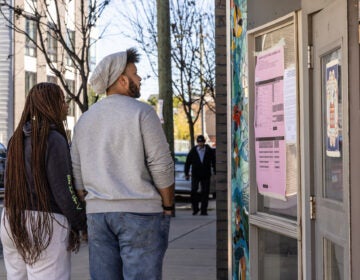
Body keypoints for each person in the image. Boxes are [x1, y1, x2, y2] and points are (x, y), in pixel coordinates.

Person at [71, 48, 174, 280]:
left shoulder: (85, 120)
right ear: (122, 80)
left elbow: (77, 174)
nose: (139, 79)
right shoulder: (143, 113)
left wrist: (92, 201)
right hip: (140, 213)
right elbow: (162, 165)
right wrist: (168, 206)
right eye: (135, 74)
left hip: (98, 215)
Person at [0, 83, 87, 280]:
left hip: (11, 220)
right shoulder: (53, 139)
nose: (66, 106)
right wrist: (81, 222)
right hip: (45, 225)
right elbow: (64, 191)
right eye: (62, 101)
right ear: (50, 105)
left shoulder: (16, 139)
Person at [184, 135, 216, 216]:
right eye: (199, 142)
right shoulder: (193, 150)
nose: (200, 144)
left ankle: (203, 210)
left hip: (206, 174)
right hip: (196, 174)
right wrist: (186, 173)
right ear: (197, 142)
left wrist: (215, 171)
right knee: (194, 191)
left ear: (204, 142)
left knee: (205, 192)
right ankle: (195, 209)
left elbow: (214, 161)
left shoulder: (209, 150)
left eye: (201, 142)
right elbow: (188, 162)